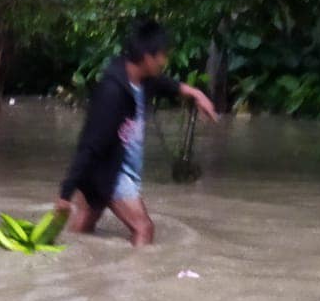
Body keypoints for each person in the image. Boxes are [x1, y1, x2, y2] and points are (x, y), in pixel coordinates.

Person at [54, 20, 218, 247]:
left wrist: (195, 93)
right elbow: (90, 144)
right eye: (162, 55)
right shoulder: (112, 92)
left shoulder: (142, 80)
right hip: (108, 173)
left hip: (106, 170)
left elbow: (165, 84)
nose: (164, 61)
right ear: (148, 57)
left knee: (82, 229)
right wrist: (66, 192)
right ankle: (135, 278)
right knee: (144, 228)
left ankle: (76, 271)